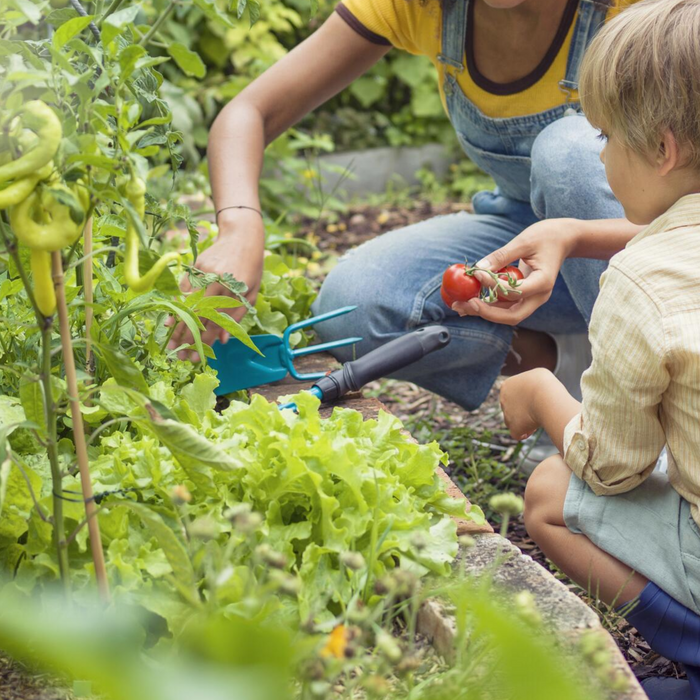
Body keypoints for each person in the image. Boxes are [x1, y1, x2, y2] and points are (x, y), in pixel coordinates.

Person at [168, 0, 643, 428]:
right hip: (528, 239)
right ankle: (573, 375)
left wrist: (579, 236)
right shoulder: (426, 6)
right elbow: (251, 110)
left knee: (570, 151)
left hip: (656, 251)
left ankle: (651, 412)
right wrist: (239, 224)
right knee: (358, 306)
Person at [495, 1, 700, 697]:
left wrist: (543, 395)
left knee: (552, 491)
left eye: (606, 135)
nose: (601, 154)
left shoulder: (641, 281)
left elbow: (612, 470)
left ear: (665, 150)